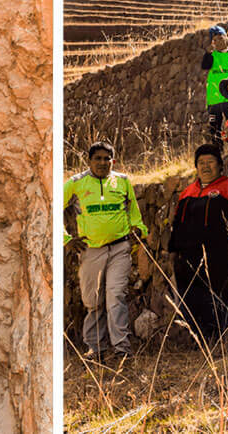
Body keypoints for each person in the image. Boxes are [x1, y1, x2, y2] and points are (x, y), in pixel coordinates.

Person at [64, 142, 148, 360]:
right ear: (89, 161)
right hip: (91, 250)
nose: (102, 163)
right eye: (97, 158)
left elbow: (133, 211)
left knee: (115, 295)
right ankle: (95, 348)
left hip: (119, 248)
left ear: (113, 160)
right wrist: (66, 240)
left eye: (106, 159)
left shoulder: (122, 181)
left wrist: (139, 228)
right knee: (93, 302)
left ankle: (122, 349)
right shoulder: (75, 183)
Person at [167, 144, 228, 340]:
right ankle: (198, 339)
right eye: (201, 163)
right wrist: (173, 251)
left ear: (220, 165)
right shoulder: (187, 192)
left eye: (210, 162)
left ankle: (218, 339)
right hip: (187, 257)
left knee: (217, 298)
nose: (205, 167)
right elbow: (177, 224)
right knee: (190, 298)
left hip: (218, 255)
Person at [201, 26, 228, 144]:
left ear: (226, 38)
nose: (218, 42)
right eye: (214, 40)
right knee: (214, 129)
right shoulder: (211, 56)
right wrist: (209, 52)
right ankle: (218, 153)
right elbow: (205, 66)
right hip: (214, 100)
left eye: (220, 38)